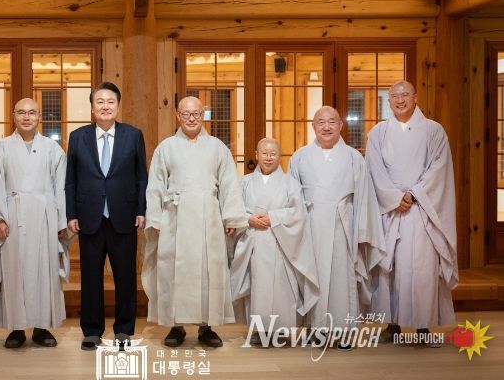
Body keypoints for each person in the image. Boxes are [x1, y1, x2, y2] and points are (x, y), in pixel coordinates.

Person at [142, 96, 247, 348]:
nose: (191, 118)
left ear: (203, 115)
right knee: (173, 271)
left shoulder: (217, 147)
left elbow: (229, 184)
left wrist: (231, 216)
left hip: (208, 217)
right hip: (174, 217)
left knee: (208, 272)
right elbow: (155, 185)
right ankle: (175, 326)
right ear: (178, 115)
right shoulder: (166, 147)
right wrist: (155, 217)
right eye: (186, 114)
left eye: (196, 114)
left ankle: (206, 326)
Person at [0, 98, 68, 349]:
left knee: (44, 270)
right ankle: (16, 328)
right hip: (13, 214)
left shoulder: (52, 149)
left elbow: (60, 187)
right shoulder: (0, 149)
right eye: (21, 112)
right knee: (15, 270)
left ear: (39, 117)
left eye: (32, 112)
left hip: (44, 215)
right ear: (13, 116)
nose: (26, 117)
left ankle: (42, 327)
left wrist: (60, 221)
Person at [367, 81, 457, 346]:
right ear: (389, 101)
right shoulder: (378, 133)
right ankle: (391, 326)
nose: (400, 100)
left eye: (405, 95)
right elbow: (374, 170)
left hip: (422, 210)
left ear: (415, 98)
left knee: (423, 269)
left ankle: (423, 328)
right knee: (389, 268)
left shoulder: (433, 130)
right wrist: (394, 198)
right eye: (394, 96)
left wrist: (414, 193)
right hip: (390, 211)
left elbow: (440, 168)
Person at [288, 106, 385, 351]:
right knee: (313, 276)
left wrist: (362, 232)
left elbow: (363, 196)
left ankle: (344, 331)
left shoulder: (353, 157)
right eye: (321, 122)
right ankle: (314, 328)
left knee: (342, 278)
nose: (326, 127)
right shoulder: (300, 157)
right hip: (310, 225)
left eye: (332, 122)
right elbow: (292, 197)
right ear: (313, 126)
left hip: (344, 224)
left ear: (341, 125)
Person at [65, 82, 148, 351]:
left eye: (110, 102)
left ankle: (123, 331)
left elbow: (141, 177)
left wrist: (141, 210)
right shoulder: (78, 137)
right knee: (90, 278)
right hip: (89, 216)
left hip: (124, 215)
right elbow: (70, 180)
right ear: (92, 107)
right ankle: (91, 332)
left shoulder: (133, 135)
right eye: (99, 101)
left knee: (125, 277)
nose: (105, 106)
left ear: (118, 106)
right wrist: (71, 213)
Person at [230, 138, 319, 346]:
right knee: (257, 287)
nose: (268, 157)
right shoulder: (245, 182)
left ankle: (281, 330)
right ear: (256, 155)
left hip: (281, 241)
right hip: (254, 241)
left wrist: (274, 217)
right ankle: (259, 330)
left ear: (280, 156)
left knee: (282, 287)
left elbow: (298, 213)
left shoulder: (290, 183)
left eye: (273, 153)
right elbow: (235, 209)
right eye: (264, 153)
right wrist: (248, 218)